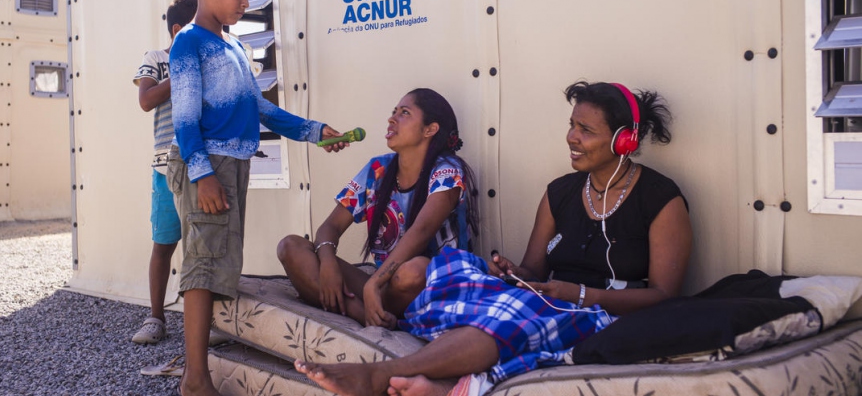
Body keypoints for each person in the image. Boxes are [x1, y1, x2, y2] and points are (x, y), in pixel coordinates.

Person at [294, 81, 693, 396]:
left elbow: (663, 296)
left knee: (501, 320)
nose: (571, 137)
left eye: (585, 130)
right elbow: (533, 269)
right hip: (549, 296)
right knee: (495, 302)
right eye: (571, 125)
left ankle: (380, 375)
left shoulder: (660, 198)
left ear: (625, 140)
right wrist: (514, 272)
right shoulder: (560, 192)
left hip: (600, 311)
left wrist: (580, 295)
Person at [167, 0, 347, 396]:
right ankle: (196, 379)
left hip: (230, 164)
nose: (247, 3)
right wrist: (202, 172)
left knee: (219, 263)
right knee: (203, 267)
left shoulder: (232, 45)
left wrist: (313, 130)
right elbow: (185, 117)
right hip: (207, 164)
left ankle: (200, 369)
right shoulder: (189, 43)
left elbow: (259, 107)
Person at [278, 88, 479, 329]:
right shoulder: (378, 169)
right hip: (383, 289)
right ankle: (366, 316)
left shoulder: (448, 170)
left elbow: (423, 229)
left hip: (432, 288)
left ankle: (370, 311)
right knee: (291, 246)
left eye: (404, 113)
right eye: (394, 112)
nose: (391, 118)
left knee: (414, 271)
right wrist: (328, 261)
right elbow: (330, 226)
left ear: (430, 130)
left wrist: (372, 284)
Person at [130, 0, 224, 347]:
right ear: (178, 30)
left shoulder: (210, 61)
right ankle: (156, 317)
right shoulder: (157, 59)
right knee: (164, 243)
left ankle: (206, 321)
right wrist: (183, 72)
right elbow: (146, 100)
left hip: (202, 166)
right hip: (164, 168)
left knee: (204, 247)